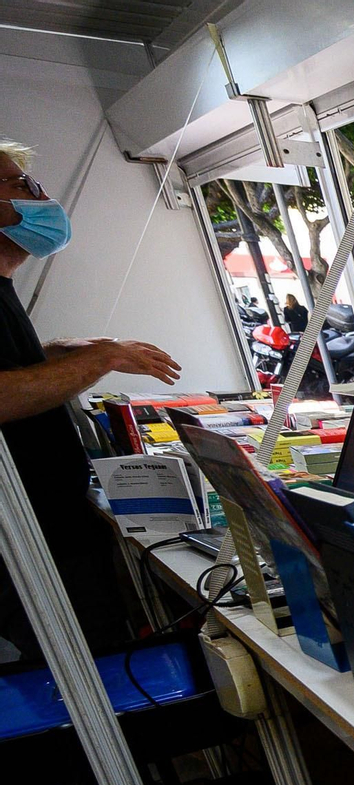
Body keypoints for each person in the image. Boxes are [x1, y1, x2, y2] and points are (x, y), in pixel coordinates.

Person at [0, 139, 182, 662]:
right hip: (27, 540)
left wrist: (68, 349)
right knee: (82, 668)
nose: (41, 199)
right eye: (23, 186)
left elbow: (13, 363)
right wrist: (97, 361)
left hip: (55, 522)